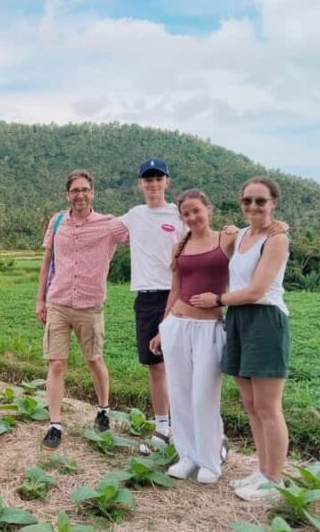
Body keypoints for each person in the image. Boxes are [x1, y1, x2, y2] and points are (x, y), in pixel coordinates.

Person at [190, 176, 290, 501]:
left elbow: (258, 290)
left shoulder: (276, 240)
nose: (253, 206)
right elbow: (208, 237)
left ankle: (275, 480)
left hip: (264, 320)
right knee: (250, 404)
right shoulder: (243, 234)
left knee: (268, 406)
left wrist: (217, 300)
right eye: (247, 200)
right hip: (238, 320)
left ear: (273, 202)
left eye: (260, 201)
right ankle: (262, 471)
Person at [35, 169, 129, 448]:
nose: (80, 195)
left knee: (94, 360)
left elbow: (146, 229)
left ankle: (103, 409)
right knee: (56, 363)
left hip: (90, 305)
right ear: (68, 194)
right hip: (59, 302)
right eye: (75, 190)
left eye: (84, 189)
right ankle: (55, 424)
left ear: (92, 193)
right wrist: (39, 300)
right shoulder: (58, 220)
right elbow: (46, 262)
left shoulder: (110, 225)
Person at [149, 189, 234, 484]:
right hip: (177, 326)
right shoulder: (180, 247)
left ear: (208, 209)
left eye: (197, 210)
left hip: (209, 328)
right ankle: (187, 455)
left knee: (203, 396)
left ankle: (210, 460)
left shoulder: (228, 239)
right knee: (181, 395)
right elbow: (175, 290)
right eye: (186, 214)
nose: (192, 217)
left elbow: (260, 240)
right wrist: (163, 327)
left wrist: (221, 299)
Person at [118, 158, 185, 447]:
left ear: (167, 182)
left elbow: (207, 239)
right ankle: (162, 429)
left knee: (183, 366)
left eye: (159, 178)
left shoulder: (180, 215)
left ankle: (187, 430)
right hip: (146, 299)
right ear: (140, 184)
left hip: (176, 295)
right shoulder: (134, 215)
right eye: (148, 179)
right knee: (155, 366)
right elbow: (102, 230)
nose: (153, 184)